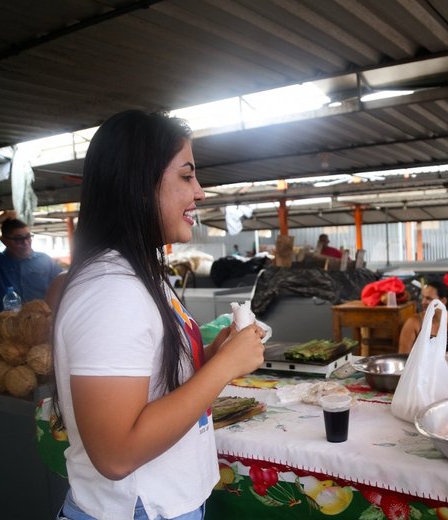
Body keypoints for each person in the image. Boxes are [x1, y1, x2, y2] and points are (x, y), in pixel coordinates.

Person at [52, 110, 265, 520]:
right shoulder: (112, 289)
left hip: (164, 504)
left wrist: (213, 355)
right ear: (140, 182)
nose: (200, 192)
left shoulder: (140, 272)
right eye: (187, 176)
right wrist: (222, 370)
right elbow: (116, 454)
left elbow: (156, 381)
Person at [398, 280, 448, 354]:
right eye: (423, 297)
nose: (423, 302)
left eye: (429, 298)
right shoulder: (414, 323)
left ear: (443, 301)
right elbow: (403, 356)